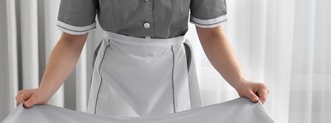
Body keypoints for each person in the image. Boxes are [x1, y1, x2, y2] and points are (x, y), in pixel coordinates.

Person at [16, 0, 269, 116]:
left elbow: (212, 34)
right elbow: (71, 40)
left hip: (173, 76)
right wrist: (44, 92)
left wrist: (240, 82)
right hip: (115, 80)